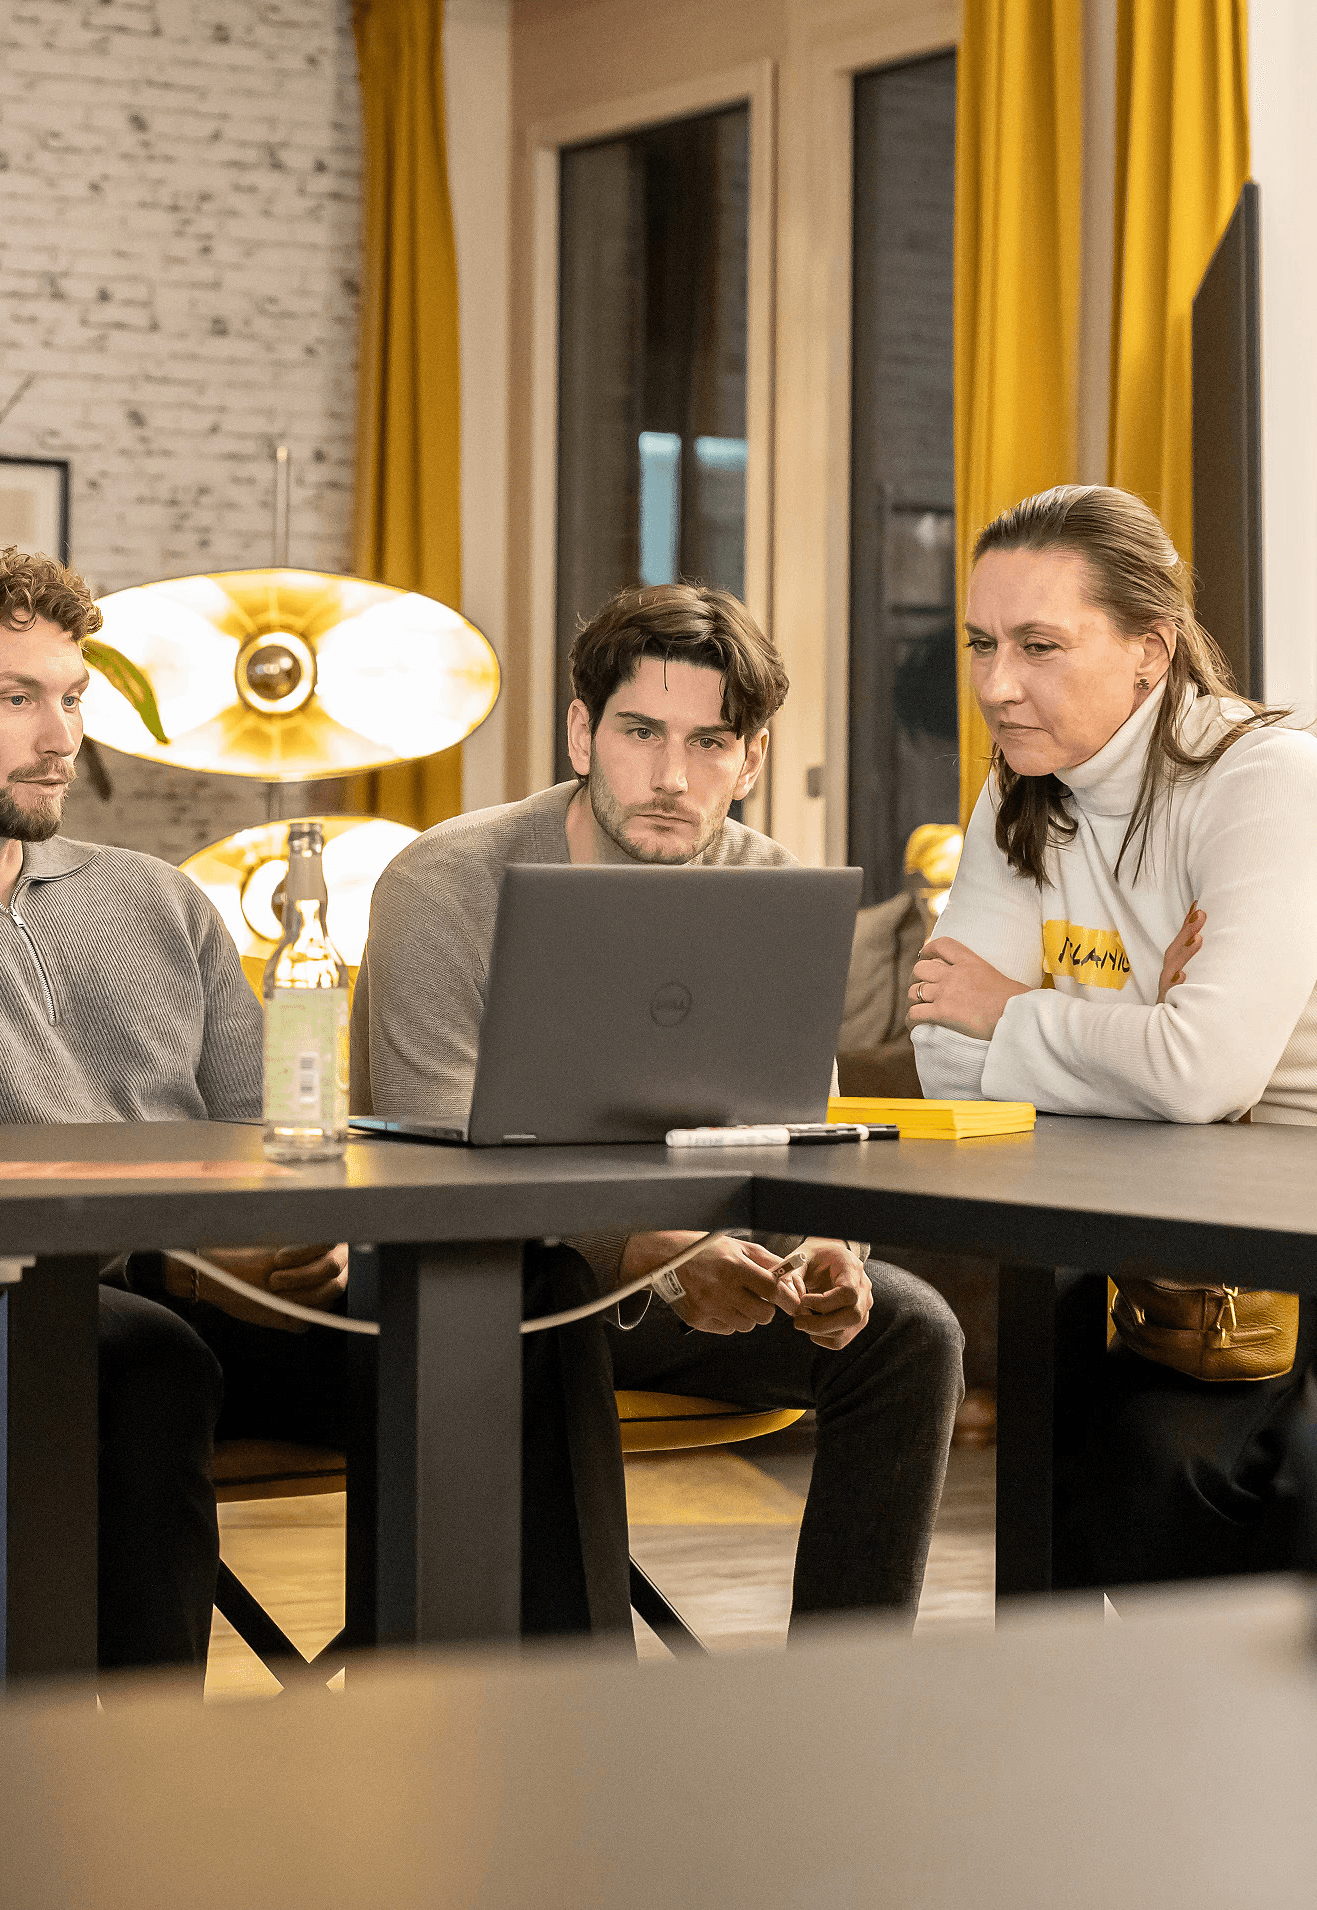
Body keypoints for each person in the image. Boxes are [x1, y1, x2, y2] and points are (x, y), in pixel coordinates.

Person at [0, 547, 622, 1672]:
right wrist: (176, 1265)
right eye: (16, 700)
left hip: (238, 1299)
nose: (61, 738)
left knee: (530, 1293)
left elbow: (279, 1131)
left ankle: (552, 1716)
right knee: (145, 1349)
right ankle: (140, 1778)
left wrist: (311, 1239)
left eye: (71, 698)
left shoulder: (154, 899)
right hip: (26, 1324)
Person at [907, 483, 1317, 1585]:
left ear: (1151, 648)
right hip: (1215, 1205)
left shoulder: (1269, 780)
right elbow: (946, 1055)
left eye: (1040, 645)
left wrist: (1026, 1013)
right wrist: (1146, 1028)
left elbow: (1200, 1072)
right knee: (1091, 1436)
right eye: (981, 644)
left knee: (1298, 1478)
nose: (996, 684)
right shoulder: (1018, 794)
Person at [358, 583, 969, 1632]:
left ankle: (846, 1714)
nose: (671, 777)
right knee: (541, 1290)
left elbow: (802, 1129)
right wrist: (645, 1247)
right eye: (639, 733)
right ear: (580, 732)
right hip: (478, 1287)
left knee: (909, 1330)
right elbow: (435, 1160)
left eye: (709, 742)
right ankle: (587, 1731)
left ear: (752, 759)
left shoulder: (768, 884)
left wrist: (826, 1251)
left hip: (692, 1279)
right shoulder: (442, 884)